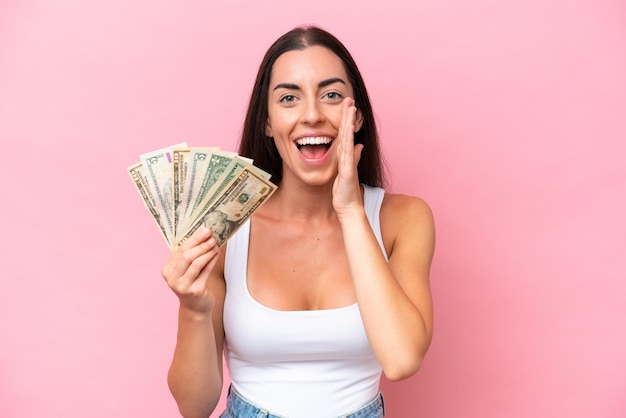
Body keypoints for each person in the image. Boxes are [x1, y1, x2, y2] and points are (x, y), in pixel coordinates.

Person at [161, 25, 435, 418]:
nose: (311, 115)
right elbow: (194, 406)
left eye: (332, 95)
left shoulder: (404, 219)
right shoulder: (226, 226)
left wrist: (350, 210)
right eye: (289, 98)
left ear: (355, 117)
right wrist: (193, 308)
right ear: (267, 123)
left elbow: (402, 359)